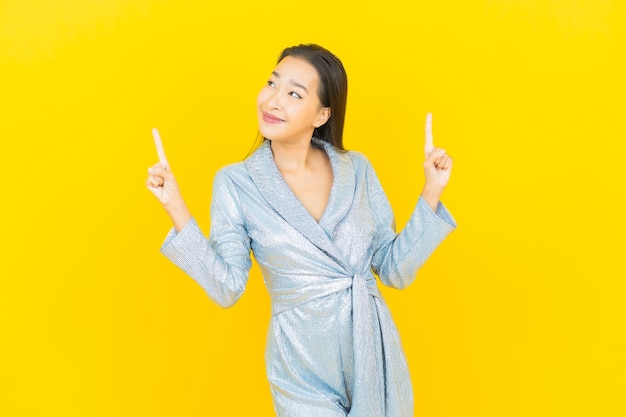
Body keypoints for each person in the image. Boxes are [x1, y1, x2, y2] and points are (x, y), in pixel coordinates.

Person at [146, 44, 456, 417]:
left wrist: (432, 190)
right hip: (301, 364)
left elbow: (393, 268)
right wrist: (175, 205)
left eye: (294, 93)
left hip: (373, 353)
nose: (273, 101)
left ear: (322, 114)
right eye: (272, 84)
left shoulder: (356, 169)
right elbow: (227, 287)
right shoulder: (237, 183)